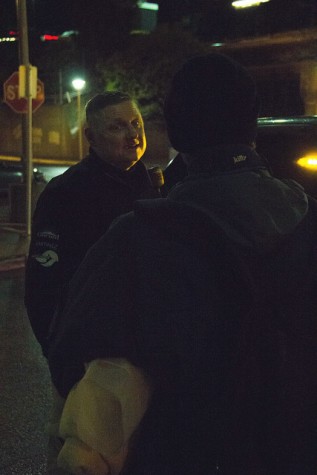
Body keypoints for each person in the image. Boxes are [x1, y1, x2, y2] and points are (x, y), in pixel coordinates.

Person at [48, 54, 317, 474]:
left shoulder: (135, 244)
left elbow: (88, 408)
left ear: (175, 130)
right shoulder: (308, 223)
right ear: (252, 125)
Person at [25, 91, 162, 359]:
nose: (133, 134)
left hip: (150, 352)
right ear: (91, 137)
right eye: (117, 127)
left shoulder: (156, 187)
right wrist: (57, 352)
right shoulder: (65, 193)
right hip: (91, 354)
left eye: (135, 123)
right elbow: (42, 283)